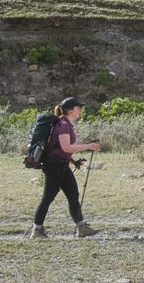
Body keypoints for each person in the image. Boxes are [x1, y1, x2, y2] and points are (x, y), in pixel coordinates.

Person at [30, 96, 99, 238]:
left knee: (73, 195)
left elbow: (60, 149)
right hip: (55, 166)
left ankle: (81, 227)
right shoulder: (63, 125)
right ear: (70, 110)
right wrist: (88, 146)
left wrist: (74, 162)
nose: (80, 110)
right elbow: (66, 147)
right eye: (78, 108)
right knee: (47, 198)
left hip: (61, 165)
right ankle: (37, 230)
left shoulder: (64, 123)